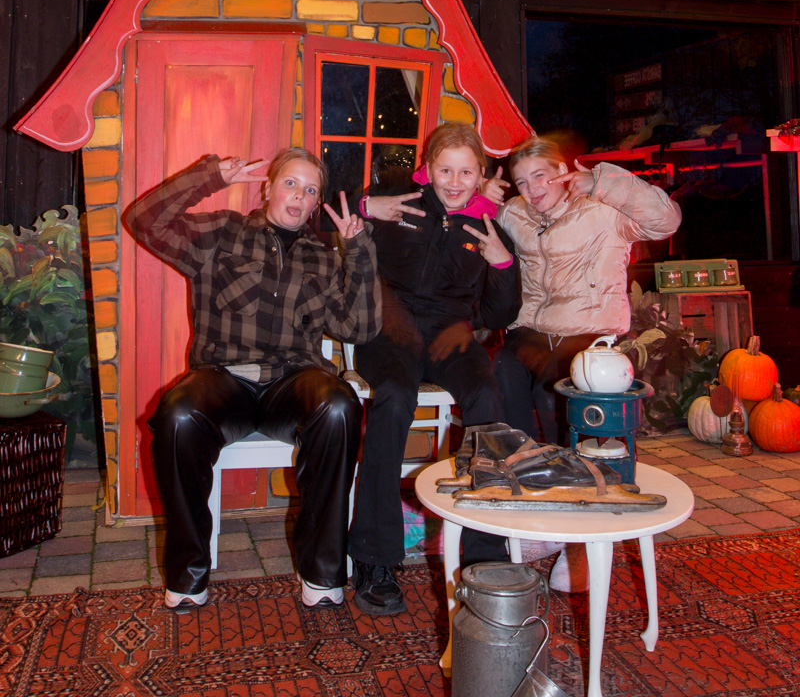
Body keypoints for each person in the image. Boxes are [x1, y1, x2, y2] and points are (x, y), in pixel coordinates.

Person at [128, 148, 380, 611]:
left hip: (293, 382)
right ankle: (188, 574)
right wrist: (209, 177)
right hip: (224, 379)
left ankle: (322, 572)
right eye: (290, 184)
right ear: (267, 188)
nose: (299, 197)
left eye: (310, 190)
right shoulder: (223, 234)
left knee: (340, 406)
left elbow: (358, 329)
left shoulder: (323, 258)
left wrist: (358, 252)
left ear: (315, 202)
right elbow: (144, 221)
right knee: (179, 415)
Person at [484, 135, 681, 590]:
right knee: (503, 377)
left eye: (540, 176)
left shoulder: (604, 209)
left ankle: (578, 536)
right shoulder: (516, 214)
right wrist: (482, 196)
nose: (532, 190)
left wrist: (603, 182)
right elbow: (470, 221)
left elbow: (666, 220)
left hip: (591, 332)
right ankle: (529, 500)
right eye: (521, 182)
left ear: (562, 171)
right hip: (533, 330)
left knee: (554, 394)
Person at [347, 123, 520, 617]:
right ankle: (375, 558)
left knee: (487, 399)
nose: (454, 181)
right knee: (395, 396)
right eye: (445, 170)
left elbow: (500, 314)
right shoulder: (399, 201)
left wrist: (502, 265)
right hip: (390, 330)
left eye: (466, 172)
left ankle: (485, 556)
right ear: (428, 168)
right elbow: (325, 215)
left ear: (481, 173)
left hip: (450, 335)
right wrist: (366, 206)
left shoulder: (488, 226)